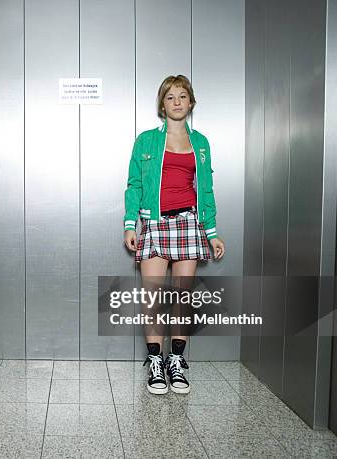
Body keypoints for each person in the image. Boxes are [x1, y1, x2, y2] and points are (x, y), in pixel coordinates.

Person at [123, 75, 225, 395]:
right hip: (154, 224)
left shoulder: (202, 143)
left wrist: (212, 233)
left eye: (182, 96)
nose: (177, 101)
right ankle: (156, 363)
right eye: (170, 97)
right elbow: (135, 185)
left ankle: (177, 362)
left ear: (191, 102)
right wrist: (130, 224)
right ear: (162, 104)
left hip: (189, 224)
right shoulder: (146, 141)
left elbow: (206, 190)